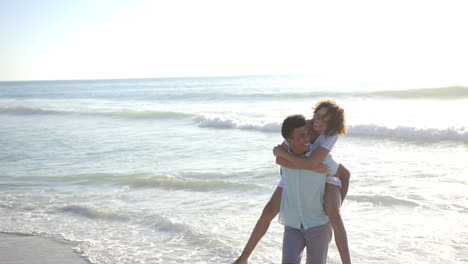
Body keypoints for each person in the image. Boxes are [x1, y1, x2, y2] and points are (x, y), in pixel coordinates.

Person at [234, 100, 351, 264]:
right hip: (295, 171)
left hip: (322, 171)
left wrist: (339, 201)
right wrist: (294, 161)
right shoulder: (302, 126)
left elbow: (314, 163)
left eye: (326, 119)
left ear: (332, 123)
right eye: (318, 115)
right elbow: (280, 160)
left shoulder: (331, 134)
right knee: (268, 210)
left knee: (335, 216)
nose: (319, 120)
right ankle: (243, 258)